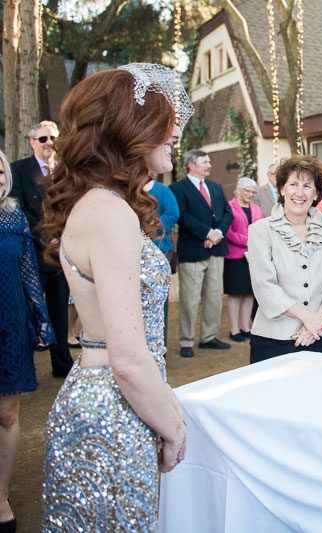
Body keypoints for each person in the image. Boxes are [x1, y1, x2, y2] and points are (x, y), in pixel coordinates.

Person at [38, 63, 192, 531]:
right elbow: (126, 358)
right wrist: (174, 426)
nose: (175, 133)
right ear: (133, 127)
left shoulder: (101, 204)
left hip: (105, 401)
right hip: (114, 411)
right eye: (166, 122)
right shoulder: (110, 213)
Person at [0, 149, 55, 532]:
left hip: (9, 326)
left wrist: (42, 322)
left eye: (1, 173)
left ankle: (0, 495)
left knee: (6, 415)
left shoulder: (14, 216)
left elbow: (28, 273)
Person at [247, 155, 322, 363]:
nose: (299, 193)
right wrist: (308, 317)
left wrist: (318, 320)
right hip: (274, 339)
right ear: (282, 189)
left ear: (317, 193)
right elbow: (264, 285)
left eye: (307, 186)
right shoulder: (260, 230)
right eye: (293, 184)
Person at [9, 120, 74, 378]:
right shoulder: (19, 170)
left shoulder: (67, 173)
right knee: (29, 311)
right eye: (43, 139)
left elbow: (73, 207)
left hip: (61, 255)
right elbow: (19, 209)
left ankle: (62, 363)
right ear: (32, 143)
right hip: (32, 254)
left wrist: (64, 238)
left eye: (53, 138)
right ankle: (26, 366)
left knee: (59, 310)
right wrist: (45, 239)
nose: (49, 144)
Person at [170, 150, 234, 358]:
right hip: (193, 250)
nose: (209, 165)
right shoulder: (178, 188)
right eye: (205, 162)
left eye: (209, 162)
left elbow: (228, 213)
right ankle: (186, 341)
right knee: (189, 299)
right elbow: (183, 216)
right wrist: (206, 233)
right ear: (192, 164)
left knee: (214, 297)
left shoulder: (215, 187)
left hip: (216, 250)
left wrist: (218, 234)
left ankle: (209, 337)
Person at [224, 177, 264, 342]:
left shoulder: (257, 209)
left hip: (253, 257)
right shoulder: (229, 206)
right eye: (247, 191)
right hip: (235, 256)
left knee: (249, 294)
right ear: (238, 190)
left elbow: (262, 229)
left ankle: (246, 326)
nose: (251, 194)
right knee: (235, 294)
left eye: (253, 192)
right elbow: (227, 231)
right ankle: (234, 330)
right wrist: (245, 240)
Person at [145, 167, 180, 345]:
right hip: (133, 251)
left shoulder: (161, 190)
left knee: (160, 300)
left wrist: (153, 226)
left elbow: (173, 213)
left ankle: (160, 344)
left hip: (160, 249)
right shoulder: (127, 191)